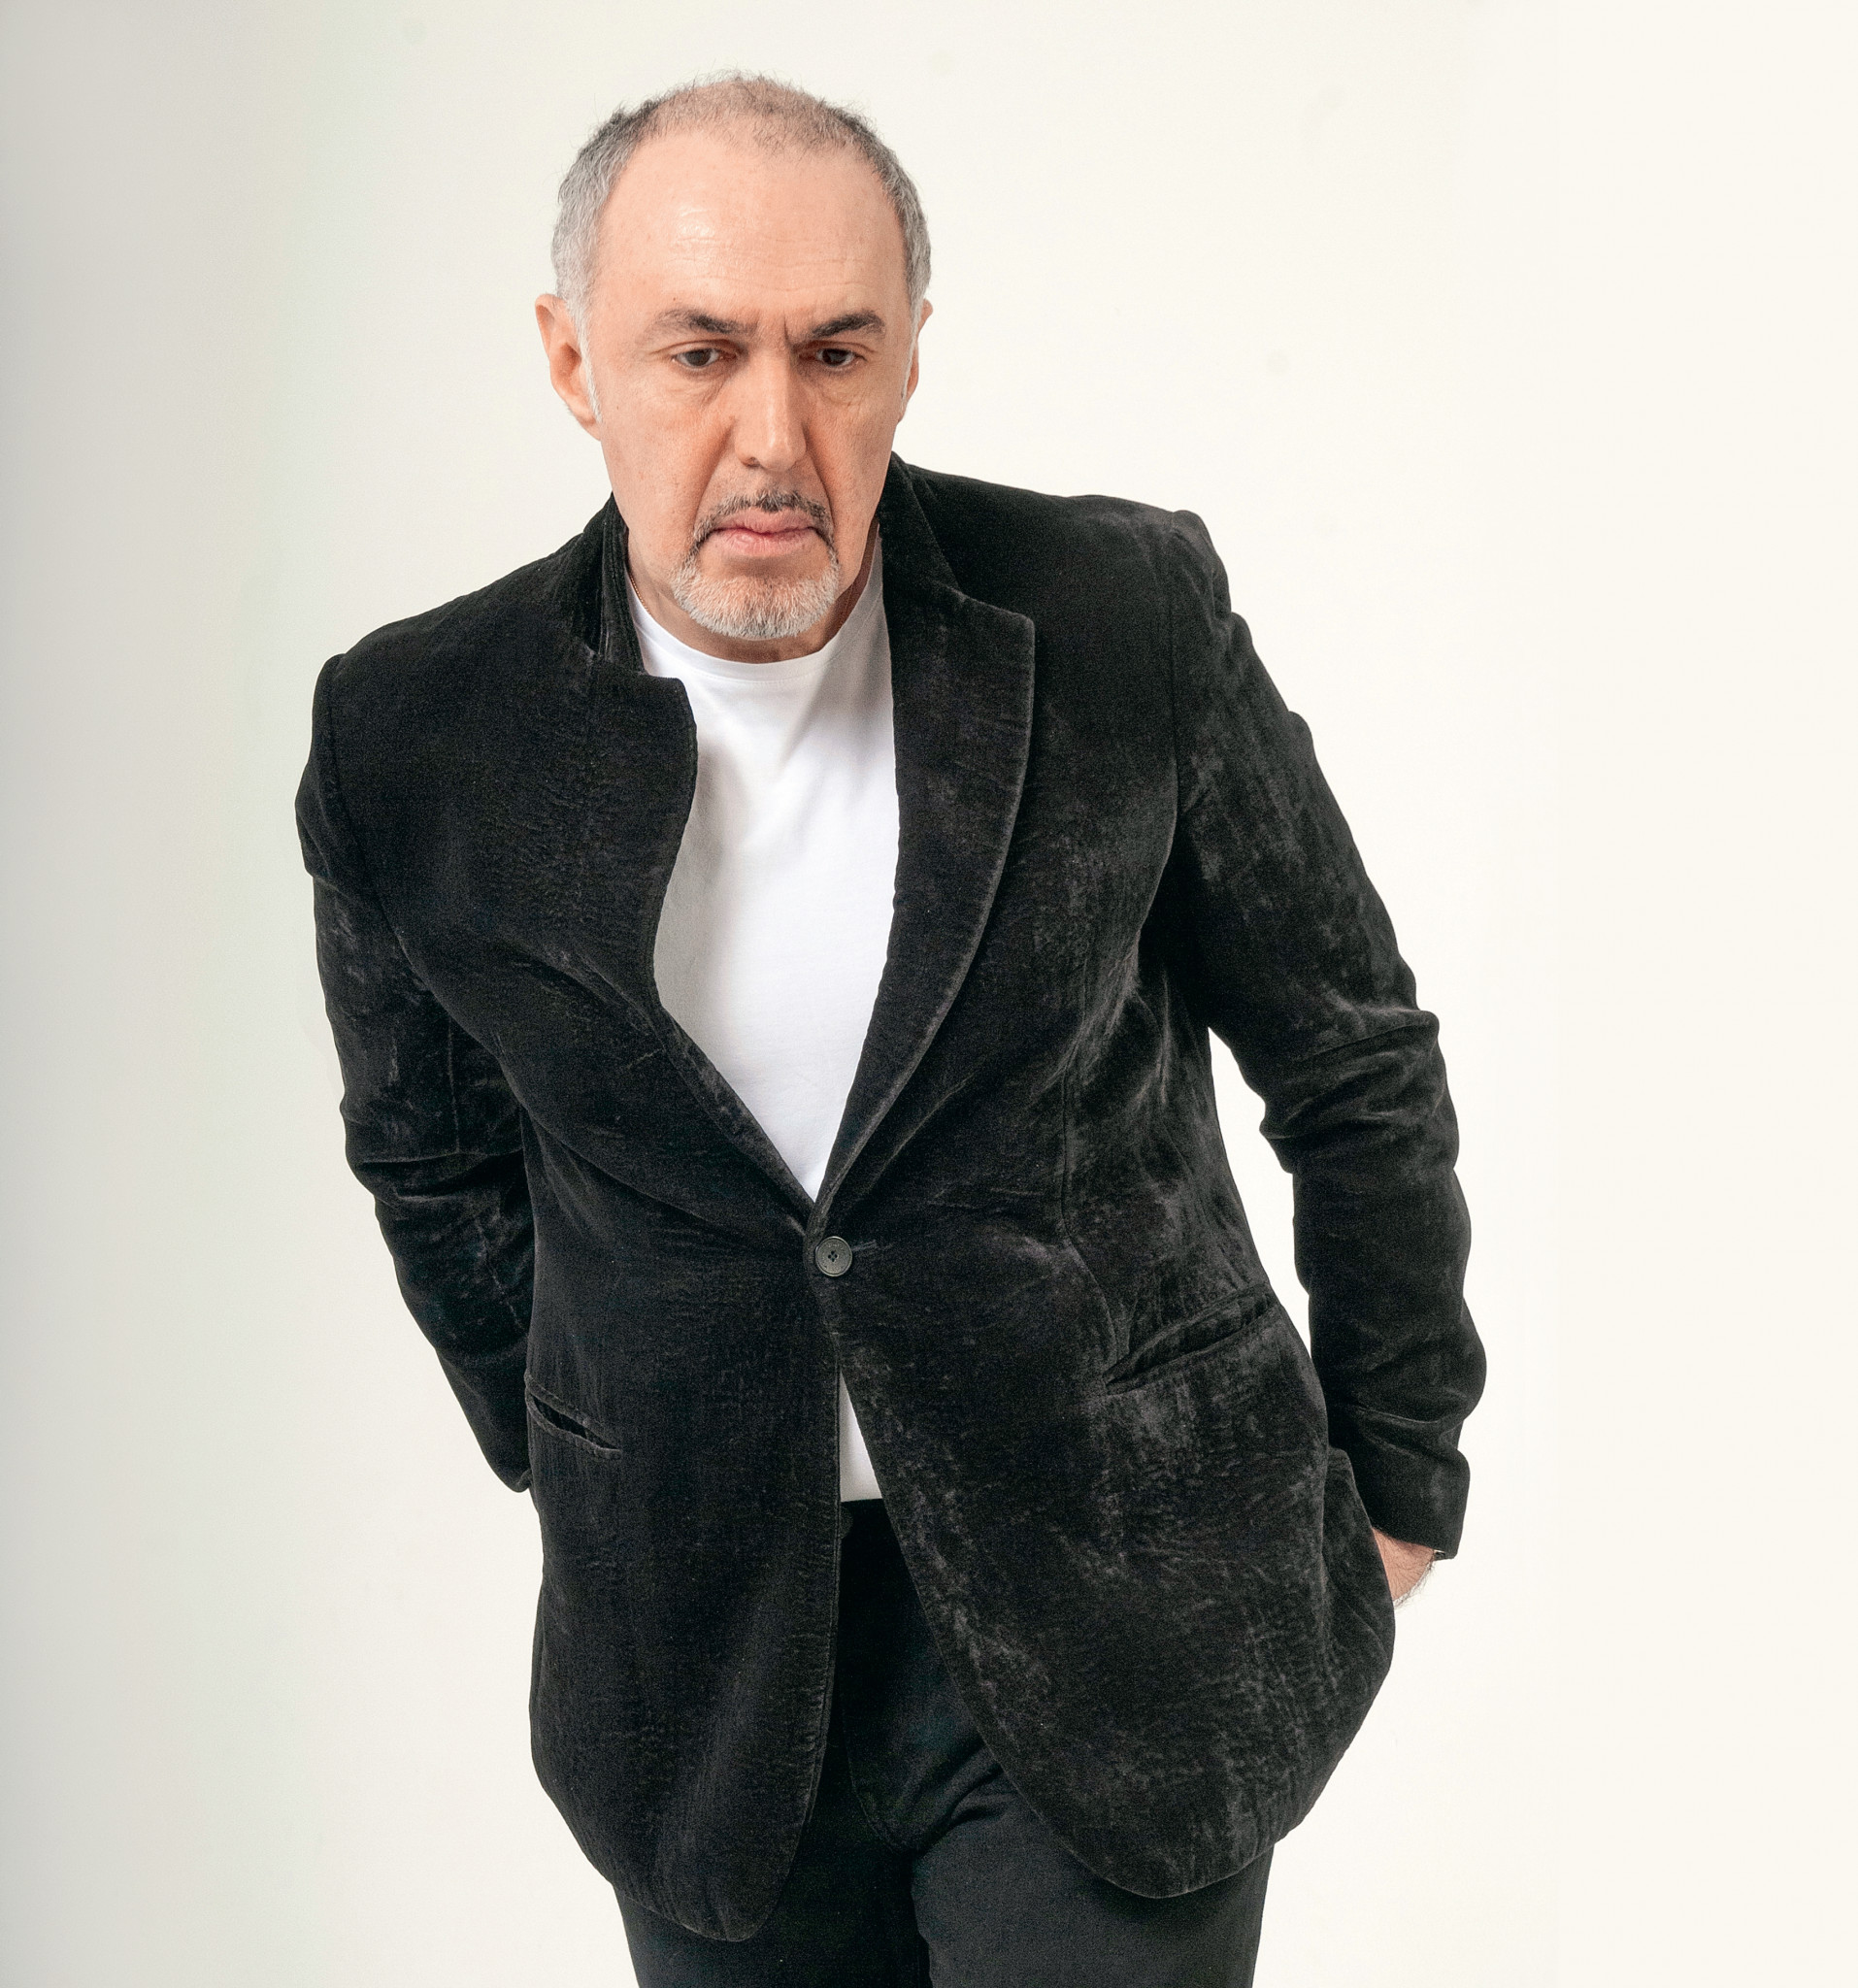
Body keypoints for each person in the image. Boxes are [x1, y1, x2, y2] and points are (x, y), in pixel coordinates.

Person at [297, 73, 1484, 1988]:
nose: (774, 434)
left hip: (1127, 1619)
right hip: (700, 1665)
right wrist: (588, 1448)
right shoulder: (413, 733)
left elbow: (1349, 1054)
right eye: (699, 352)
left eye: (835, 351)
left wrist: (1402, 1470)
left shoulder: (1119, 618)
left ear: (911, 353)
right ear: (574, 361)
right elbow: (428, 1152)